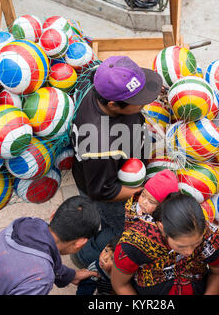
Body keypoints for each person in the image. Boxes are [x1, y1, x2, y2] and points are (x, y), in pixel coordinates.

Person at [70, 55, 163, 269]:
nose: (145, 102)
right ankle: (84, 256)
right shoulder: (100, 143)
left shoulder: (96, 80)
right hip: (106, 187)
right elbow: (102, 191)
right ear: (113, 105)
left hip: (102, 169)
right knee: (119, 228)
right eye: (139, 100)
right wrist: (143, 192)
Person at [0, 196, 101, 295]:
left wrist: (70, 276)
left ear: (53, 215)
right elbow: (37, 269)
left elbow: (41, 256)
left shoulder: (24, 226)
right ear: (80, 243)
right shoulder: (41, 278)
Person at [111, 193, 219, 295]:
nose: (189, 252)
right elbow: (121, 284)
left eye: (196, 244)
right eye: (181, 246)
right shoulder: (135, 244)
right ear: (162, 228)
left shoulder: (211, 238)